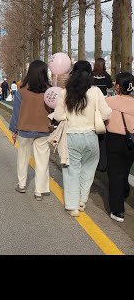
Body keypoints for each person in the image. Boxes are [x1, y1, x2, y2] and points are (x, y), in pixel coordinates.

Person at [53, 60, 111, 217]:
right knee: (88, 169)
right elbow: (106, 113)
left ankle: (72, 206)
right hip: (91, 136)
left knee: (71, 171)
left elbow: (58, 116)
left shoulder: (65, 92)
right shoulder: (95, 92)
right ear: (90, 73)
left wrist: (68, 116)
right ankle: (82, 200)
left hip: (71, 136)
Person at [9, 60, 52, 201]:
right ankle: (39, 191)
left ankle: (22, 185)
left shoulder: (21, 90)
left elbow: (16, 112)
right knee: (42, 161)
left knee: (22, 158)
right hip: (44, 130)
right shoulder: (50, 91)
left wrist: (13, 129)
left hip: (24, 129)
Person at [105, 72, 134, 222]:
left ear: (117, 86)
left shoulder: (109, 101)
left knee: (115, 174)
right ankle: (124, 192)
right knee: (124, 171)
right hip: (131, 142)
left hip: (114, 139)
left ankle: (117, 211)